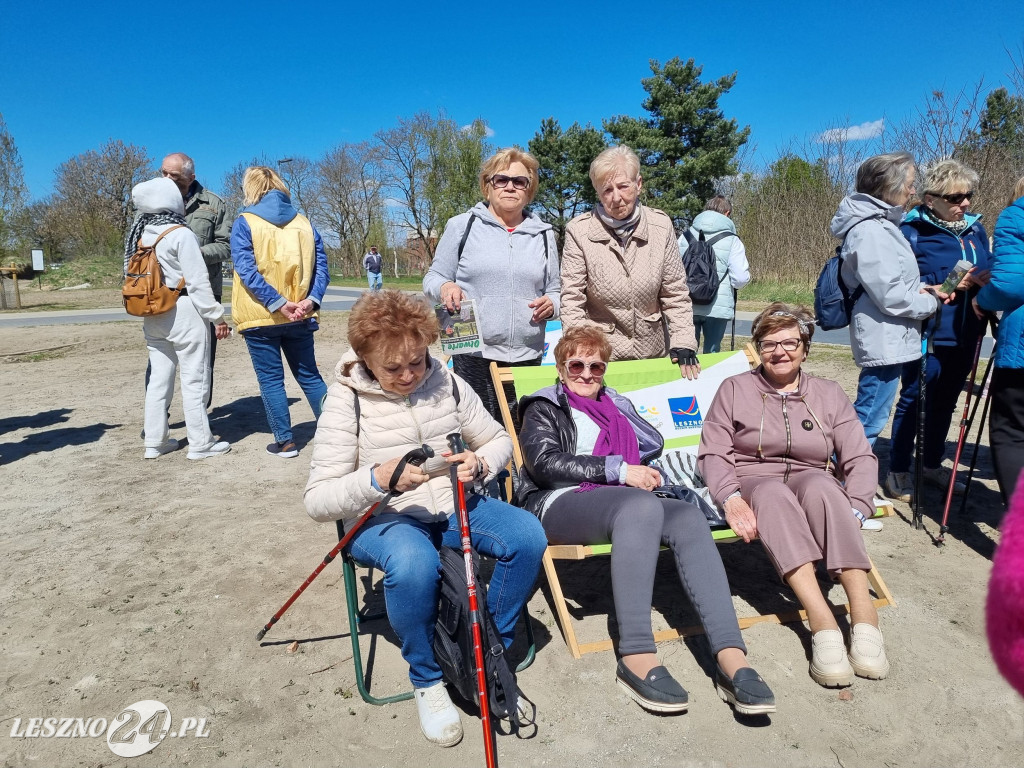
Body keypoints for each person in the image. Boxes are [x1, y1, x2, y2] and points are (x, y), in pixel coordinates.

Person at [304, 289, 546, 748]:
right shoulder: (345, 400)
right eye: (392, 368)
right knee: (415, 564)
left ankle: (484, 650)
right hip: (384, 517)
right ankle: (428, 677)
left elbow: (498, 439)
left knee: (527, 535)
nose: (410, 375)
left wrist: (482, 462)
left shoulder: (448, 381)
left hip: (456, 504)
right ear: (364, 358)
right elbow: (318, 501)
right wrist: (375, 480)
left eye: (417, 361)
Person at [516, 324, 775, 716]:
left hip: (622, 499)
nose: (586, 374)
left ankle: (731, 654)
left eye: (597, 367)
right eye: (576, 365)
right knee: (641, 507)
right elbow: (544, 463)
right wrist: (619, 470)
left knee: (687, 515)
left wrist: (633, 465)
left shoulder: (614, 405)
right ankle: (635, 654)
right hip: (559, 500)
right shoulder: (543, 406)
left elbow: (651, 445)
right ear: (560, 366)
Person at [698, 304, 889, 688]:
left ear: (805, 347)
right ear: (757, 348)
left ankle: (864, 612)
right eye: (768, 344)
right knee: (771, 493)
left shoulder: (828, 393)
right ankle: (821, 619)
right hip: (754, 478)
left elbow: (859, 456)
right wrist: (731, 498)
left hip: (813, 477)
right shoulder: (735, 389)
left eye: (789, 342)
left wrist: (857, 507)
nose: (779, 352)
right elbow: (713, 452)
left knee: (823, 487)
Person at [423, 147, 559, 422]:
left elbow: (556, 289)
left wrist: (553, 303)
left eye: (519, 181)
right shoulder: (462, 226)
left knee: (524, 435)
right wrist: (446, 287)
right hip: (472, 350)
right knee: (480, 434)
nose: (510, 186)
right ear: (488, 185)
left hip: (527, 353)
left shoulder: (545, 235)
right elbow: (433, 277)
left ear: (529, 189)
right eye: (501, 179)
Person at [885, 160, 992, 502]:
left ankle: (930, 464)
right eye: (956, 197)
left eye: (968, 195)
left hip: (968, 332)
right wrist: (950, 283)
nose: (965, 203)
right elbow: (900, 284)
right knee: (915, 398)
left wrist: (988, 279)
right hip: (927, 332)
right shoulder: (911, 230)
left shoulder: (976, 229)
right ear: (931, 199)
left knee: (946, 401)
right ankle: (898, 469)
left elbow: (988, 266)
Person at [829, 152, 946, 450]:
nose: (912, 190)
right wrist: (931, 304)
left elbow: (890, 282)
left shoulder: (880, 225)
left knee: (871, 413)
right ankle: (844, 484)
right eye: (908, 183)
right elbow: (890, 297)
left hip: (890, 335)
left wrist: (921, 289)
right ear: (887, 186)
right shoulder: (870, 230)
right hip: (883, 337)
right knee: (869, 418)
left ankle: (846, 480)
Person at [561, 145, 700, 380]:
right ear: (598, 193)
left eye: (623, 186)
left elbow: (675, 293)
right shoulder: (579, 231)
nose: (616, 197)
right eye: (607, 190)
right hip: (601, 359)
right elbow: (572, 298)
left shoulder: (661, 226)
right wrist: (581, 352)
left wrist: (684, 340)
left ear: (639, 184)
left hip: (652, 352)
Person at [126, 177, 231, 460]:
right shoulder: (182, 234)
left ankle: (155, 441)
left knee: (159, 381)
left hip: (154, 312)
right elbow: (197, 283)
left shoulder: (142, 234)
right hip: (184, 310)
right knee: (195, 379)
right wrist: (217, 317)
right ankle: (200, 443)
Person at [230, 167, 329, 459]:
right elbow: (321, 267)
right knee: (310, 376)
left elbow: (246, 269)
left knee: (272, 381)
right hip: (301, 314)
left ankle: (285, 442)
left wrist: (276, 303)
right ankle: (336, 433)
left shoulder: (244, 221)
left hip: (261, 316)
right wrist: (311, 300)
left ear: (251, 188)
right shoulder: (305, 223)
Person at [159, 152, 232, 408]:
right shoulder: (153, 201)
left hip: (204, 293)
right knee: (160, 365)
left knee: (202, 362)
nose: (167, 178)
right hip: (162, 294)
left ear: (191, 177)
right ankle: (158, 421)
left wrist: (194, 254)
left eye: (175, 175)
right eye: (164, 173)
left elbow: (226, 246)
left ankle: (200, 420)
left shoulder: (213, 203)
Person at [976, 176, 1024, 503]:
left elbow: (1009, 285)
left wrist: (983, 298)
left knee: (1011, 430)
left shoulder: (1014, 216)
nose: (963, 202)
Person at [679, 195, 751, 353]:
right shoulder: (732, 240)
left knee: (685, 354)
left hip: (686, 303)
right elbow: (740, 278)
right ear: (727, 213)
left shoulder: (684, 237)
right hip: (717, 305)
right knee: (711, 355)